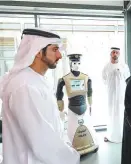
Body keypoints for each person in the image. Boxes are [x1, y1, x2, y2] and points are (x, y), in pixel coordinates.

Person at [0, 28, 80, 164]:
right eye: (54, 50)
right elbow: (41, 141)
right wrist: (72, 157)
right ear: (37, 52)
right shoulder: (25, 85)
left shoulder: (35, 80)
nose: (60, 55)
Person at [56, 53, 98, 155]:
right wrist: (60, 106)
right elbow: (59, 93)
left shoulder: (86, 77)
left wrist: (90, 103)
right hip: (72, 109)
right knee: (72, 129)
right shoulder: (65, 79)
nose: (77, 65)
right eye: (74, 63)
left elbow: (90, 91)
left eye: (78, 62)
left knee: (87, 126)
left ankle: (90, 143)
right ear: (70, 63)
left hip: (84, 108)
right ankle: (73, 146)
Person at [102, 47, 130, 143]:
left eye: (117, 52)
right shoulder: (106, 67)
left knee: (121, 113)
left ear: (119, 54)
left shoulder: (124, 66)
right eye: (113, 52)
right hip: (111, 94)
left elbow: (128, 79)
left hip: (121, 95)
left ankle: (123, 135)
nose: (115, 54)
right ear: (110, 54)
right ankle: (110, 135)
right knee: (111, 113)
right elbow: (104, 79)